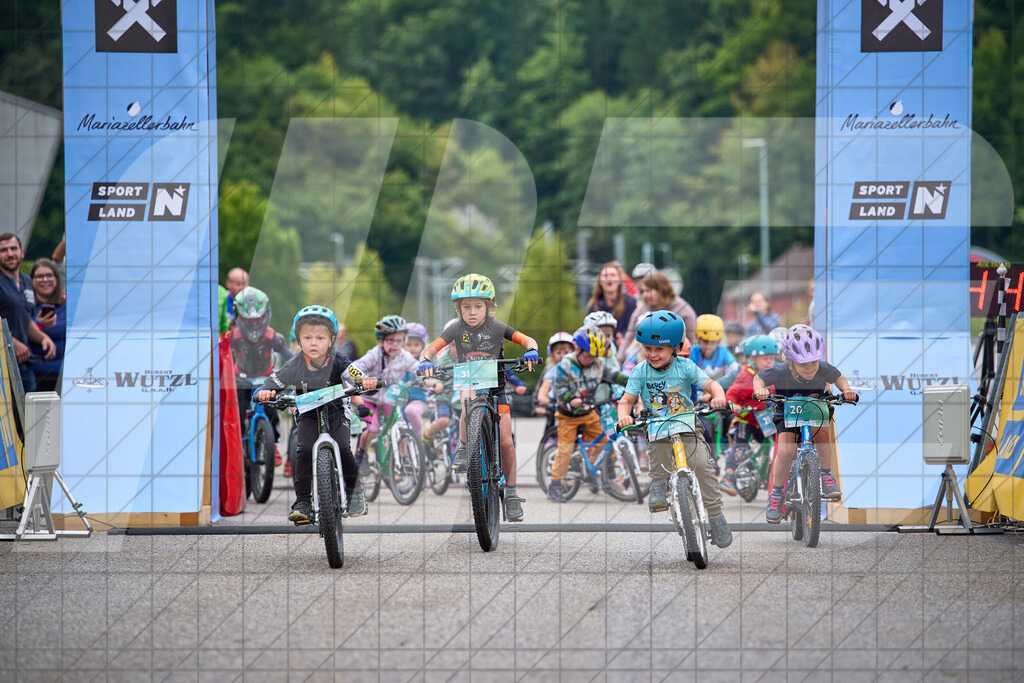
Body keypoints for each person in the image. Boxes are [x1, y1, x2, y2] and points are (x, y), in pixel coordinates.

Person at [418, 273, 539, 522]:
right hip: (470, 382)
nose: (472, 312)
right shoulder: (455, 329)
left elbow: (527, 339)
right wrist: (424, 361)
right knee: (466, 404)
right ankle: (463, 448)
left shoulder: (498, 328)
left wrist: (531, 350)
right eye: (466, 306)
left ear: (489, 306)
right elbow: (430, 348)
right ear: (458, 309)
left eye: (478, 306)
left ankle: (513, 494)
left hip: (496, 389)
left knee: (506, 441)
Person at [616, 310, 732, 548]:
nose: (652, 354)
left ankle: (716, 516)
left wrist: (718, 397)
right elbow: (626, 401)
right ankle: (658, 483)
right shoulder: (640, 371)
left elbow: (711, 384)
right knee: (657, 453)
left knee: (703, 467)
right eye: (647, 348)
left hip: (686, 423)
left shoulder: (685, 366)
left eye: (659, 349)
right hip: (657, 426)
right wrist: (624, 417)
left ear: (676, 348)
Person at [255, 305, 377, 523]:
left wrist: (365, 382)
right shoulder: (293, 365)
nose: (313, 342)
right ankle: (302, 501)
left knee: (342, 446)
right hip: (308, 415)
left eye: (320, 338)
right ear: (298, 341)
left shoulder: (340, 361)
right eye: (307, 337)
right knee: (304, 450)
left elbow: (358, 377)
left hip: (336, 412)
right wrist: (263, 392)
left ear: (331, 340)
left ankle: (354, 491)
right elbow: (270, 383)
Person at [752, 324, 858, 522]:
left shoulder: (823, 368)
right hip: (787, 413)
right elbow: (758, 378)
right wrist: (761, 390)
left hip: (815, 409)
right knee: (784, 451)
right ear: (791, 362)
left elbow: (839, 377)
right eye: (803, 364)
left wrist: (846, 390)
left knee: (824, 436)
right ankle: (776, 494)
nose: (810, 368)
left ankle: (826, 475)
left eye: (814, 363)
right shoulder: (780, 371)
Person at [547, 326, 630, 502]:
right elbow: (560, 388)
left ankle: (589, 466)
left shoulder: (598, 364)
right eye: (587, 356)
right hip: (567, 414)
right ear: (577, 349)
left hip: (588, 412)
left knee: (602, 441)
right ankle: (554, 484)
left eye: (594, 357)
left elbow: (614, 375)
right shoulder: (566, 365)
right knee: (565, 448)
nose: (590, 360)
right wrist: (571, 399)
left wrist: (632, 382)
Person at [353, 315, 424, 472]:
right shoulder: (374, 355)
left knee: (400, 424)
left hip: (389, 398)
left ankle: (401, 457)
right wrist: (364, 378)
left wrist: (429, 378)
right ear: (381, 341)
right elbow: (354, 368)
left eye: (399, 340)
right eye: (390, 340)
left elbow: (416, 367)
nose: (395, 345)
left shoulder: (405, 356)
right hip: (368, 398)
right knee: (373, 429)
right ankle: (361, 454)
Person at [231, 286, 291, 464]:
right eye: (248, 321)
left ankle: (272, 445)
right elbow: (222, 360)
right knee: (238, 413)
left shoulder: (273, 337)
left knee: (272, 411)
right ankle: (239, 445)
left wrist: (301, 368)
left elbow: (289, 357)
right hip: (240, 379)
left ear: (266, 315)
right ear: (238, 317)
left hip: (266, 380)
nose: (254, 325)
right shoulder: (233, 338)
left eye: (257, 320)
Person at [720, 334, 778, 495]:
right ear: (751, 358)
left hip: (766, 420)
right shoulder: (745, 376)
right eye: (765, 358)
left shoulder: (773, 373)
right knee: (740, 446)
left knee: (780, 445)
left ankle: (776, 479)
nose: (769, 362)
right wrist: (734, 406)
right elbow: (730, 395)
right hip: (747, 420)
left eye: (772, 358)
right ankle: (728, 477)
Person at [0, 234, 55, 392]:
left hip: (24, 364)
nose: (10, 254)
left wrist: (43, 337)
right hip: (2, 364)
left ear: (22, 253)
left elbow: (26, 319)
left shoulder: (27, 281)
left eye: (13, 249)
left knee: (31, 414)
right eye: (3, 250)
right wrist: (12, 343)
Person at [618, 271, 697, 364]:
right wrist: (619, 361)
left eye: (648, 291)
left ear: (661, 290)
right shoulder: (641, 310)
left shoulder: (683, 310)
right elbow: (629, 338)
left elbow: (693, 342)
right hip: (644, 361)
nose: (645, 295)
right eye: (643, 291)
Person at [29, 258, 66, 393]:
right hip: (35, 373)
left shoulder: (68, 306)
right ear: (31, 280)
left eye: (49, 275)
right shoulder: (25, 307)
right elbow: (18, 333)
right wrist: (38, 326)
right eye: (39, 276)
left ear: (56, 278)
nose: (45, 280)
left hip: (64, 373)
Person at [585, 262, 637, 346]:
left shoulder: (631, 303)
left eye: (613, 275)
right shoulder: (593, 306)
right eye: (605, 276)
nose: (609, 278)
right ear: (600, 281)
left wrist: (623, 338)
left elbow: (634, 329)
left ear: (620, 280)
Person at [692, 314, 739, 391]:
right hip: (697, 394)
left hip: (719, 391)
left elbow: (736, 370)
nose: (708, 346)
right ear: (698, 339)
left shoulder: (724, 353)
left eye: (712, 342)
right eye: (705, 341)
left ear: (718, 341)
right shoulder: (693, 353)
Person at [535, 332, 574, 416]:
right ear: (552, 355)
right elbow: (545, 386)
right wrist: (542, 397)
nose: (563, 355)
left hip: (574, 402)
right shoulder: (552, 370)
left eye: (566, 352)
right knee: (552, 427)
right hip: (555, 404)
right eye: (559, 353)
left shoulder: (576, 368)